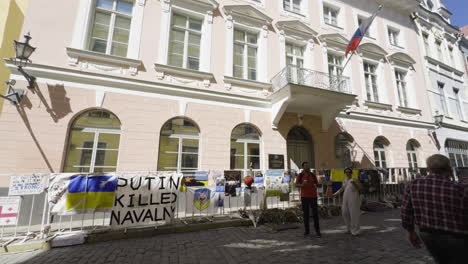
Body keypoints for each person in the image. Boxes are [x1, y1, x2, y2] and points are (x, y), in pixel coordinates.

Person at [401, 154, 468, 264]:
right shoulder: (459, 188)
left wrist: (410, 231)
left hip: (428, 234)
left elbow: (405, 211)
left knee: (440, 260)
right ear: (449, 169)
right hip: (457, 237)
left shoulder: (413, 185)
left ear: (428, 169)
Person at [333, 167, 363, 236]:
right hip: (345, 198)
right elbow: (342, 188)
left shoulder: (355, 179)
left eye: (349, 172)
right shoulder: (344, 180)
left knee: (354, 214)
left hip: (354, 198)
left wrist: (355, 184)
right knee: (344, 212)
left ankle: (355, 230)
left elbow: (360, 188)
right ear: (345, 173)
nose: (348, 173)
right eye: (346, 172)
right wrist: (335, 194)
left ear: (351, 173)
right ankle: (348, 228)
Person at [295, 162, 321, 237]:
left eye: (308, 166)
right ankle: (307, 231)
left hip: (313, 196)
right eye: (305, 166)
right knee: (306, 214)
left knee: (315, 214)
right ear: (303, 167)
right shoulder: (300, 175)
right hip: (304, 196)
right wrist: (302, 185)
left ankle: (317, 231)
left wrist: (320, 184)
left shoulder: (313, 175)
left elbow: (317, 184)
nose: (307, 167)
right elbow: (296, 184)